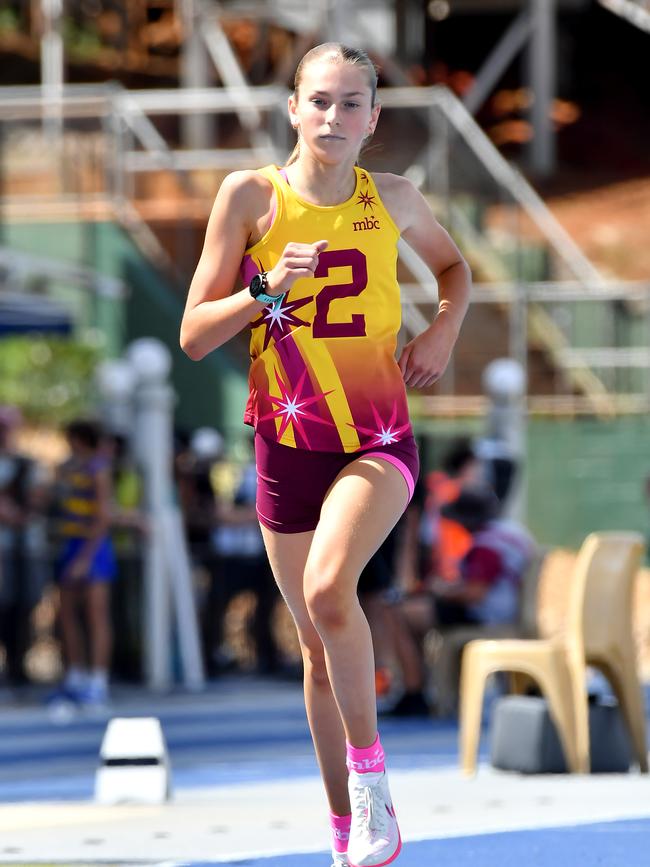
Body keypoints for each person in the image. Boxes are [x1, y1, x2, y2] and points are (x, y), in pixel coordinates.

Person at [180, 42, 471, 867]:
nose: (334, 117)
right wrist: (265, 286)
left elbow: (454, 271)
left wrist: (443, 327)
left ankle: (373, 773)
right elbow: (194, 336)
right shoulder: (249, 197)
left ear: (374, 120)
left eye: (352, 104)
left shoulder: (397, 198)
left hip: (377, 437)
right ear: (292, 108)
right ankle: (348, 829)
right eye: (320, 101)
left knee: (328, 588)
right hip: (286, 440)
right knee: (314, 642)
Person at [50, 420, 116, 708]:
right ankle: (76, 676)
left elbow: (102, 517)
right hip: (70, 543)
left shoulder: (99, 469)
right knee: (66, 613)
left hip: (94, 547)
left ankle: (98, 681)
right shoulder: (68, 468)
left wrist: (86, 557)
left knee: (96, 614)